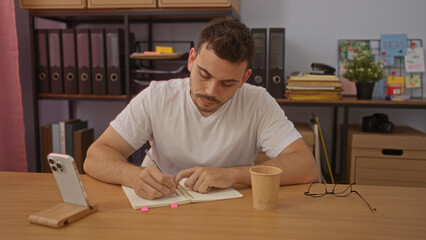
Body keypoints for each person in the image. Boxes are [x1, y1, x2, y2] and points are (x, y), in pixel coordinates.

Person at [84, 17, 318, 200]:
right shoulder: (156, 97)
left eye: (228, 83)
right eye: (204, 75)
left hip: (229, 210)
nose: (211, 92)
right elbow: (95, 157)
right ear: (191, 60)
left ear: (245, 78)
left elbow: (306, 166)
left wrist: (232, 174)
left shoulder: (257, 102)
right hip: (163, 207)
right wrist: (133, 176)